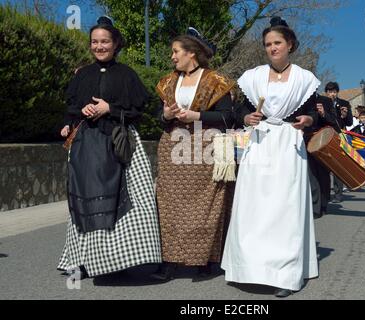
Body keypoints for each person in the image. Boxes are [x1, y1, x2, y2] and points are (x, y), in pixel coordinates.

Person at [221, 17, 319, 298]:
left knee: (284, 207)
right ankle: (248, 268)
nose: (272, 48)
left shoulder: (304, 79)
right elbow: (239, 109)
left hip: (288, 143)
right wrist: (246, 116)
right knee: (254, 205)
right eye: (267, 44)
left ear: (289, 44)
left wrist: (307, 119)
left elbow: (312, 110)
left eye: (277, 43)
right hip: (260, 142)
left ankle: (284, 274)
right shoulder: (253, 77)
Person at [57, 16, 162, 279]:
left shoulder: (127, 74)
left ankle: (124, 259)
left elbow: (139, 111)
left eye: (105, 41)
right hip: (87, 146)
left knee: (132, 198)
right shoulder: (83, 75)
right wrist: (78, 114)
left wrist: (109, 109)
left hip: (119, 143)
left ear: (115, 44)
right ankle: (85, 260)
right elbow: (70, 108)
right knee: (85, 200)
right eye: (95, 41)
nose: (99, 46)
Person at [152, 27, 235, 281]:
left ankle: (205, 259)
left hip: (204, 149)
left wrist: (195, 115)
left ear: (192, 53)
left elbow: (228, 117)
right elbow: (158, 118)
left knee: (206, 207)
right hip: (172, 149)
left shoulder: (215, 81)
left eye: (176, 52)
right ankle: (169, 261)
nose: (173, 57)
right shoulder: (168, 82)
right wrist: (165, 115)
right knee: (169, 206)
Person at [308, 95, 340, 217]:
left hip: (323, 142)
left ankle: (323, 204)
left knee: (323, 175)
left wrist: (323, 113)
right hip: (306, 140)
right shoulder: (299, 99)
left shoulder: (325, 101)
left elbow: (334, 121)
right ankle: (315, 207)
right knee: (311, 175)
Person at [325, 82, 353, 202]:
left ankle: (338, 194)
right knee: (325, 165)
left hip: (339, 136)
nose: (332, 94)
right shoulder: (322, 103)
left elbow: (349, 122)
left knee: (337, 165)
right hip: (325, 136)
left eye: (334, 91)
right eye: (330, 91)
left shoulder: (344, 104)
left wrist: (345, 115)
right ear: (326, 92)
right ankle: (325, 194)